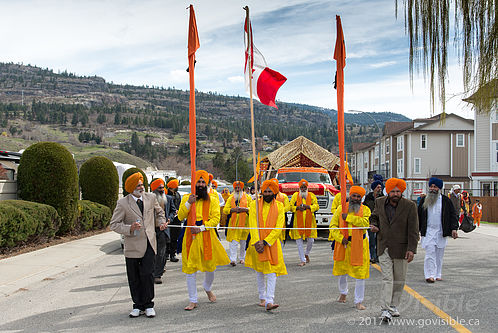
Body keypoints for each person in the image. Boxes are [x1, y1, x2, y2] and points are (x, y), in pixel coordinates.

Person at [110, 172, 168, 318]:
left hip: (149, 242)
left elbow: (159, 212)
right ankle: (137, 305)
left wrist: (161, 222)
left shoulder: (151, 197)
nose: (141, 188)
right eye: (138, 186)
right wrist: (129, 228)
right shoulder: (123, 203)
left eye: (142, 184)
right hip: (132, 246)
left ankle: (149, 305)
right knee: (134, 276)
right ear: (131, 188)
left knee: (148, 274)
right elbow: (114, 224)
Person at [178, 170, 230, 311]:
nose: (200, 184)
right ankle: (193, 300)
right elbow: (180, 216)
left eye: (203, 182)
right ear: (194, 183)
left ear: (206, 184)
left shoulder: (212, 200)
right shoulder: (187, 198)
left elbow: (215, 220)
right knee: (190, 269)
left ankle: (207, 287)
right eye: (198, 182)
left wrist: (200, 228)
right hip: (190, 238)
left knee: (210, 268)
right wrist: (189, 203)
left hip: (207, 235)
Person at [369, 178, 419, 322]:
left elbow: (413, 229)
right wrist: (374, 225)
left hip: (402, 248)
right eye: (393, 191)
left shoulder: (410, 206)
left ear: (402, 191)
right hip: (383, 246)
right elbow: (374, 217)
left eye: (398, 191)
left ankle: (393, 305)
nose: (396, 194)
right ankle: (385, 309)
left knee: (399, 279)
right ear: (388, 191)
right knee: (387, 278)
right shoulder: (379, 202)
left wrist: (411, 249)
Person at [245, 179, 287, 311]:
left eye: (270, 191)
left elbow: (279, 226)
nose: (267, 193)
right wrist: (257, 241)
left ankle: (270, 300)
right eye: (265, 191)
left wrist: (266, 241)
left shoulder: (280, 206)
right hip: (257, 243)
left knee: (271, 272)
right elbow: (252, 223)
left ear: (274, 192)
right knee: (260, 271)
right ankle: (262, 297)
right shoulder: (254, 205)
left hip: (272, 243)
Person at [330, 186, 371, 310]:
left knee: (360, 274)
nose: (356, 198)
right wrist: (339, 238)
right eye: (354, 196)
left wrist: (347, 217)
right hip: (344, 244)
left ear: (361, 198)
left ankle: (358, 301)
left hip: (360, 245)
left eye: (359, 197)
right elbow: (332, 226)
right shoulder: (340, 209)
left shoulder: (366, 210)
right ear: (350, 196)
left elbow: (364, 224)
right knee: (342, 271)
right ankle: (343, 292)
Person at [417, 177, 459, 283]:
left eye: (435, 187)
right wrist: (417, 231)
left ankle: (437, 274)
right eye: (431, 186)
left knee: (439, 254)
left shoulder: (446, 201)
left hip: (441, 231)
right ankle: (430, 275)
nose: (432, 189)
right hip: (428, 231)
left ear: (439, 188)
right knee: (430, 253)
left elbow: (452, 215)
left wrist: (454, 229)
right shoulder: (424, 200)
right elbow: (418, 216)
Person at [150, 178, 175, 284]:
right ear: (154, 189)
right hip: (151, 230)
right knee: (151, 252)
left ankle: (157, 274)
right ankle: (151, 271)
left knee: (161, 252)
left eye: (162, 187)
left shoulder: (168, 199)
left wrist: (169, 219)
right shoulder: (148, 199)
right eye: (159, 188)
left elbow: (173, 211)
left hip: (163, 230)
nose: (162, 189)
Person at [289, 179, 319, 266]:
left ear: (307, 187)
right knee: (299, 241)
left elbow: (317, 206)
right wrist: (297, 208)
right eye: (301, 187)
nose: (303, 189)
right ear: (299, 188)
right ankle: (303, 260)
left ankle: (306, 253)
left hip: (310, 222)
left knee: (311, 240)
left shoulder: (311, 195)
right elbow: (291, 206)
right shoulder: (295, 195)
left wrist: (308, 207)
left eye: (304, 187)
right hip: (298, 222)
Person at [223, 181, 252, 266]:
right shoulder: (230, 197)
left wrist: (245, 209)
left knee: (243, 242)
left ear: (242, 188)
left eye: (239, 187)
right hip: (233, 224)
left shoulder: (248, 197)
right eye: (236, 188)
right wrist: (232, 210)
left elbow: (252, 208)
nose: (237, 189)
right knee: (233, 242)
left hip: (244, 224)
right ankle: (233, 260)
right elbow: (225, 210)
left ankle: (242, 258)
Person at [363, 175, 384, 264]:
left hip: (381, 222)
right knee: (372, 240)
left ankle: (378, 256)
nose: (379, 189)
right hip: (370, 222)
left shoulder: (383, 198)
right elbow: (364, 208)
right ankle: (373, 256)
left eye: (380, 187)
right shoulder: (368, 197)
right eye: (377, 187)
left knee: (378, 240)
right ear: (374, 188)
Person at [271, 178, 291, 249]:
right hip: (270, 219)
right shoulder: (267, 196)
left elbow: (288, 207)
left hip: (281, 219)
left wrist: (278, 211)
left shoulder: (284, 196)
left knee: (281, 237)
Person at [167, 178, 181, 262]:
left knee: (174, 237)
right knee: (167, 237)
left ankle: (173, 254)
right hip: (169, 218)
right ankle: (166, 254)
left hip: (177, 219)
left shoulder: (178, 195)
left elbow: (179, 204)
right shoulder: (166, 194)